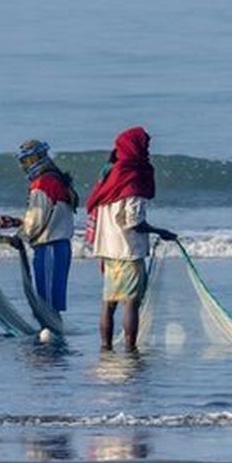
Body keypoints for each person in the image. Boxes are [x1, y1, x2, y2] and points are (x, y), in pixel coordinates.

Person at [86, 127, 176, 352]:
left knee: (108, 303)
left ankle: (105, 348)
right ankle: (130, 349)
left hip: (108, 250)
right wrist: (159, 231)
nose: (147, 149)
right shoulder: (134, 177)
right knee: (130, 303)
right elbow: (133, 221)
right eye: (145, 145)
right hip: (128, 250)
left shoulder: (109, 175)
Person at [0, 140, 78, 315]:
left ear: (39, 157)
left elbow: (36, 222)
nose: (25, 165)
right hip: (60, 246)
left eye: (28, 160)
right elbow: (50, 215)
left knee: (46, 302)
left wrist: (19, 236)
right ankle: (53, 334)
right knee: (52, 300)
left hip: (49, 247)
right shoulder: (57, 178)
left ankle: (50, 338)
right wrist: (17, 222)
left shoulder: (43, 183)